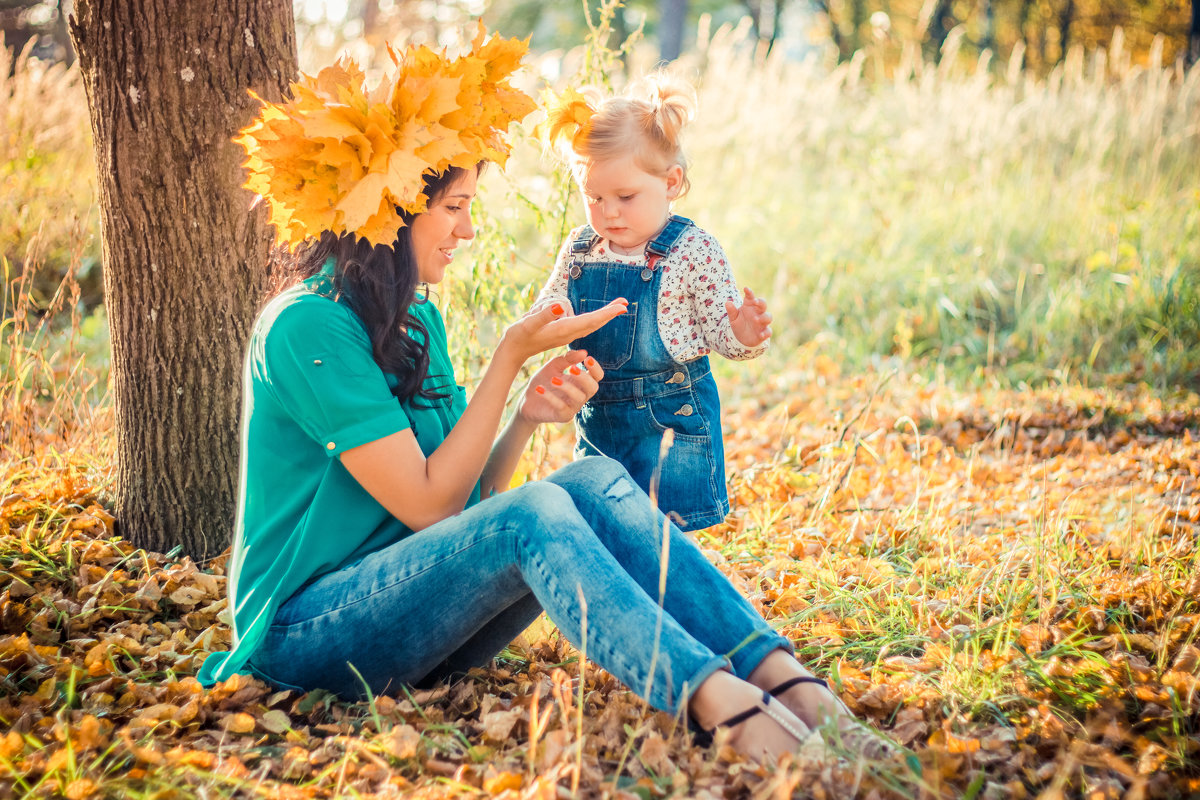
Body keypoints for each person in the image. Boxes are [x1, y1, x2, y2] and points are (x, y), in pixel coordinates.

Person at [197, 29, 854, 764]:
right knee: (539, 508)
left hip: (418, 618)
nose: (468, 229)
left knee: (595, 478)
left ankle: (785, 678)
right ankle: (720, 703)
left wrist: (525, 419)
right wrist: (509, 356)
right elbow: (428, 507)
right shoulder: (307, 327)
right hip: (311, 635)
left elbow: (468, 498)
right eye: (452, 208)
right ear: (390, 209)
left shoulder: (415, 317)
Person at [534, 75, 772, 532]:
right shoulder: (582, 248)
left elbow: (722, 336)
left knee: (666, 538)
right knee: (603, 526)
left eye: (625, 197)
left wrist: (742, 333)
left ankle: (667, 597)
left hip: (671, 424)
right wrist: (548, 319)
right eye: (594, 198)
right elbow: (551, 305)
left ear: (671, 182)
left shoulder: (692, 250)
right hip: (600, 422)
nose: (609, 212)